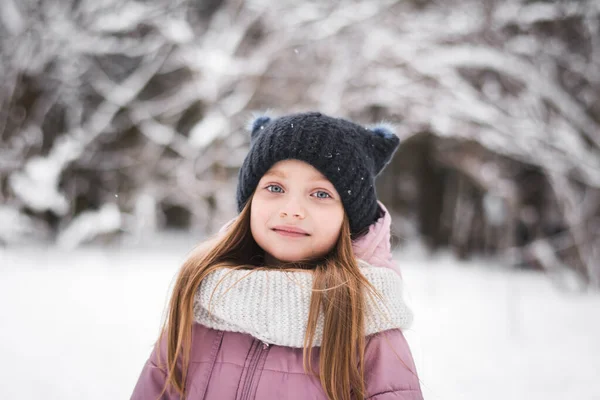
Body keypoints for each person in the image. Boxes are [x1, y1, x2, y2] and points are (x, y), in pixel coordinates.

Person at [131, 111, 423, 400]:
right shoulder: (203, 303)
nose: (292, 209)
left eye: (321, 194)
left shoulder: (367, 323)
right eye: (275, 187)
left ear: (350, 219)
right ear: (250, 202)